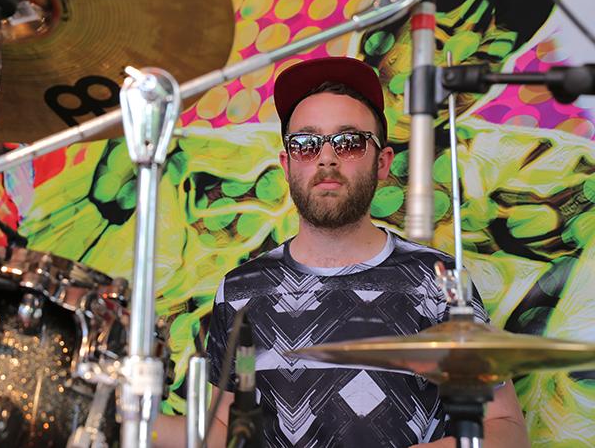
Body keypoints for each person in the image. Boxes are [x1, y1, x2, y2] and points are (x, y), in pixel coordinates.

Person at [154, 56, 529, 447]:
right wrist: (132, 418)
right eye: (305, 144)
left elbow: (506, 428)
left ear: (382, 163)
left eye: (349, 143)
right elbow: (224, 430)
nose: (326, 157)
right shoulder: (241, 291)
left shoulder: (438, 281)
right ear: (287, 164)